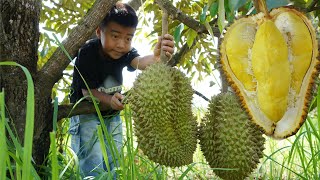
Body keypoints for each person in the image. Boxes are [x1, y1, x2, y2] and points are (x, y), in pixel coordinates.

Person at [68, 1, 175, 178]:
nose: (121, 44)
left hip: (111, 113)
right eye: (115, 36)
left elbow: (141, 63)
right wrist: (109, 99)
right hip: (85, 113)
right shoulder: (88, 52)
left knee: (115, 159)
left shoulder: (125, 52)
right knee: (92, 160)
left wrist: (157, 56)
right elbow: (87, 91)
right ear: (98, 32)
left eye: (128, 38)